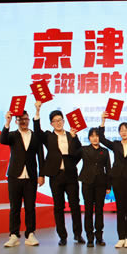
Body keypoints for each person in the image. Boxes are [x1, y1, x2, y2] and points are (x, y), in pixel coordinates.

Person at [33, 101, 83, 246]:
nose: (58, 123)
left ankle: (78, 234)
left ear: (63, 121)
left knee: (75, 205)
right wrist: (37, 111)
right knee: (58, 206)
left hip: (70, 175)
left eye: (60, 120)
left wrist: (74, 138)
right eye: (55, 121)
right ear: (51, 123)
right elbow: (37, 131)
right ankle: (62, 236)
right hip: (55, 175)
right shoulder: (48, 136)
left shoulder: (71, 134)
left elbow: (79, 152)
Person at [0, 110, 45, 247]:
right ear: (16, 121)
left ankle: (30, 234)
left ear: (29, 120)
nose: (23, 122)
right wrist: (7, 122)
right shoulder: (12, 135)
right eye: (20, 120)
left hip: (31, 176)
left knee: (30, 207)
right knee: (15, 207)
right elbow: (2, 140)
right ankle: (14, 235)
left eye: (26, 119)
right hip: (15, 176)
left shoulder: (36, 136)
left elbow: (41, 156)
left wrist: (41, 175)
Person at [99, 112, 127, 248]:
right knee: (120, 209)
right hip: (117, 180)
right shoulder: (116, 144)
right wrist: (103, 121)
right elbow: (101, 139)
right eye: (121, 130)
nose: (123, 132)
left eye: (126, 130)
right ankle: (121, 237)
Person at [78, 127, 111, 248]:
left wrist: (108, 185)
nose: (95, 138)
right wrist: (74, 137)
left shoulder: (105, 151)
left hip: (101, 183)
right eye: (92, 136)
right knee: (88, 210)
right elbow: (73, 153)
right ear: (89, 138)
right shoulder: (84, 149)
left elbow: (108, 168)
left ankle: (99, 236)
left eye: (97, 136)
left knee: (99, 210)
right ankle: (90, 237)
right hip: (87, 182)